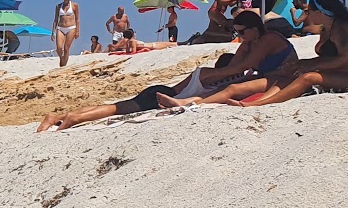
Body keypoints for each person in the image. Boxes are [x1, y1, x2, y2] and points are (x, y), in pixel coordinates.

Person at [37, 11, 285, 131]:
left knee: (119, 104)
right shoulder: (213, 78)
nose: (239, 37)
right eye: (238, 33)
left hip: (162, 90)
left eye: (242, 33)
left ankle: (57, 115)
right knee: (114, 108)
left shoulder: (208, 72)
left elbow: (239, 66)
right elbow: (240, 69)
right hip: (162, 95)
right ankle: (73, 118)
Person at [227, 0, 348, 107]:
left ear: (320, 12)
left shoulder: (341, 28)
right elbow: (328, 58)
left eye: (308, 11)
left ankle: (259, 104)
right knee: (293, 71)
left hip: (344, 75)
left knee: (308, 77)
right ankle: (262, 100)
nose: (307, 14)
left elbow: (344, 59)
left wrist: (310, 66)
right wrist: (302, 64)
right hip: (335, 72)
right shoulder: (326, 29)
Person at [53, 0, 80, 66]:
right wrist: (53, 32)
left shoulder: (75, 5)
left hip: (71, 28)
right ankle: (61, 58)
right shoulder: (58, 6)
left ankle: (64, 65)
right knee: (59, 47)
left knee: (66, 48)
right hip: (60, 28)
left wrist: (77, 31)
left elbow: (77, 19)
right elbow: (55, 19)